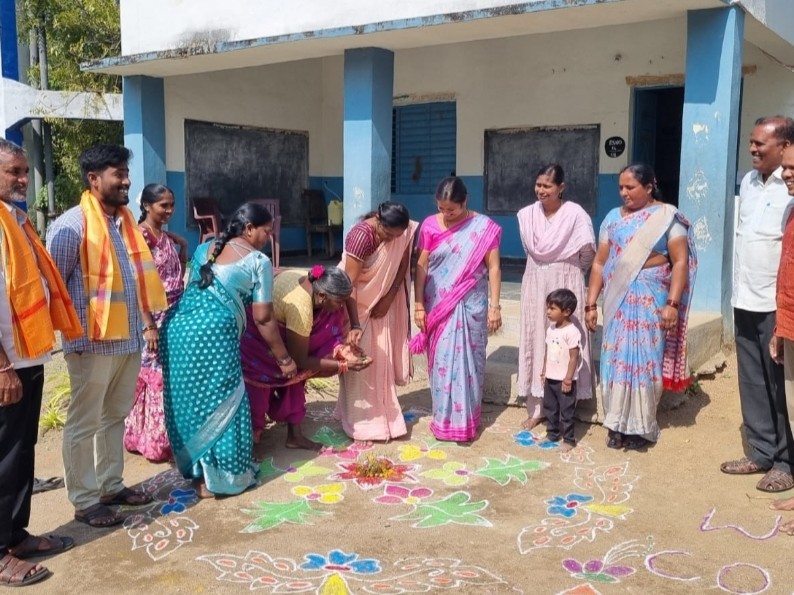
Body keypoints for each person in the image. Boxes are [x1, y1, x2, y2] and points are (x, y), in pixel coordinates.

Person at [48, 144, 168, 528]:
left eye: (126, 173)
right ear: (94, 179)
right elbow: (55, 288)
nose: (126, 181)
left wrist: (144, 326)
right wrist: (74, 339)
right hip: (90, 344)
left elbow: (134, 283)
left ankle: (111, 486)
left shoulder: (125, 225)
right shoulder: (72, 226)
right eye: (118, 174)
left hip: (127, 340)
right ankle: (85, 501)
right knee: (84, 422)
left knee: (114, 416)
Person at [161, 202, 296, 497]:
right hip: (214, 338)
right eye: (266, 231)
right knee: (227, 404)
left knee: (191, 403)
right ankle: (224, 477)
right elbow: (263, 318)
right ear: (249, 229)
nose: (268, 238)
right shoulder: (258, 261)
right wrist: (284, 358)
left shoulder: (204, 249)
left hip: (176, 331)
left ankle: (199, 477)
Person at [0, 140, 82, 585]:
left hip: (27, 354)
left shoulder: (18, 221)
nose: (23, 179)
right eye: (13, 171)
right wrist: (2, 367)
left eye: (24, 171)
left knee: (21, 451)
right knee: (4, 457)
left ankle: (16, 536)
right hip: (5, 363)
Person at [584, 163, 696, 451]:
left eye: (630, 187)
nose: (624, 193)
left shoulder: (667, 217)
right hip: (617, 299)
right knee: (615, 357)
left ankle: (641, 427)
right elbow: (599, 263)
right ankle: (615, 423)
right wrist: (590, 303)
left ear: (649, 187)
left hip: (651, 298)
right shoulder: (612, 218)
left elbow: (680, 261)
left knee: (645, 358)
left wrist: (672, 304)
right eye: (621, 187)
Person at [721, 116, 794, 493]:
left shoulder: (790, 186)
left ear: (783, 147)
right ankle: (762, 451)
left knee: (781, 385)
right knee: (751, 381)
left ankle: (786, 461)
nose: (752, 149)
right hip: (745, 298)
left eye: (759, 144)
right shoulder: (749, 182)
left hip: (775, 304)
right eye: (751, 142)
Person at [241, 266, 371, 451]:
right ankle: (248, 446)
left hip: (287, 323)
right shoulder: (302, 309)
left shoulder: (319, 281)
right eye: (338, 302)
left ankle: (294, 436)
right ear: (322, 297)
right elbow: (300, 360)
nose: (341, 306)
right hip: (260, 340)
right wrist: (343, 365)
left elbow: (347, 295)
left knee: (294, 379)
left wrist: (355, 326)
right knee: (258, 393)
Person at [412, 176, 502, 442]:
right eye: (441, 208)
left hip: (471, 304)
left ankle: (466, 422)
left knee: (470, 362)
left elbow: (494, 267)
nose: (446, 214)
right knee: (442, 361)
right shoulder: (430, 225)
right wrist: (418, 304)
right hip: (438, 304)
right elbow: (421, 266)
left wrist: (495, 306)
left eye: (451, 209)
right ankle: (443, 421)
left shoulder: (483, 227)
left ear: (465, 202)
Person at [517, 164, 596, 430]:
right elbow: (529, 249)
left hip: (565, 281)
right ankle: (537, 408)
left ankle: (566, 408)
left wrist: (568, 272)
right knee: (536, 337)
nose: (541, 190)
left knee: (564, 340)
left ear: (561, 187)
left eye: (547, 186)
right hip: (535, 283)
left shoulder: (575, 215)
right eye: (538, 185)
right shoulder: (527, 215)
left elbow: (587, 253)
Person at [335, 202, 418, 445]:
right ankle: (361, 423)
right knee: (360, 359)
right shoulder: (361, 237)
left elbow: (402, 263)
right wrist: (354, 325)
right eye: (388, 234)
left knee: (382, 362)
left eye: (396, 236)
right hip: (355, 305)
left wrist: (389, 296)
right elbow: (348, 285)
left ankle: (384, 419)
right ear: (378, 221)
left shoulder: (402, 234)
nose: (392, 240)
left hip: (381, 302)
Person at [124, 184, 187, 463]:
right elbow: (138, 282)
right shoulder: (141, 237)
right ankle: (152, 439)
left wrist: (182, 245)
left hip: (173, 313)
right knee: (154, 376)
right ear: (147, 206)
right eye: (163, 205)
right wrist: (148, 325)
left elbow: (175, 273)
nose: (169, 210)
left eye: (172, 205)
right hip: (155, 317)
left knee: (169, 373)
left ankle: (165, 436)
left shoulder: (163, 236)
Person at [769, 130, 794, 525]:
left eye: (793, 167)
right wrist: (780, 327)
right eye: (786, 167)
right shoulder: (791, 211)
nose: (787, 174)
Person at [540, 289, 582, 453]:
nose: (548, 312)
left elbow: (574, 357)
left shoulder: (572, 332)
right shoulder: (551, 329)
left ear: (566, 312)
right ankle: (552, 434)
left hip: (565, 380)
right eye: (548, 308)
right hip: (551, 377)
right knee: (550, 407)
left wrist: (568, 378)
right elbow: (547, 351)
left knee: (566, 411)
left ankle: (569, 439)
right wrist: (544, 371)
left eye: (552, 308)